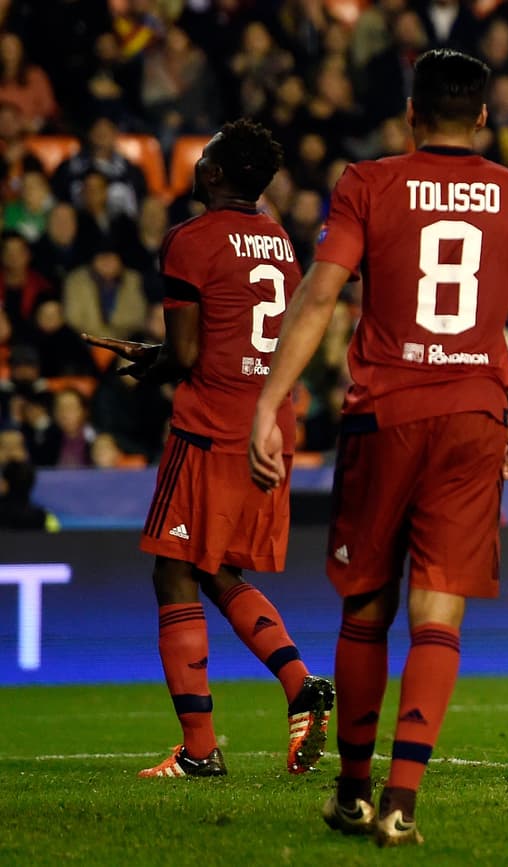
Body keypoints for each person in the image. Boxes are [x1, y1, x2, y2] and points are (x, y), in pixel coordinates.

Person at [248, 49, 508, 847]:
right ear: (485, 117)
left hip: (383, 414)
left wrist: (269, 401)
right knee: (439, 613)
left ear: (412, 114)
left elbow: (321, 293)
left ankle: (353, 790)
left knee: (367, 605)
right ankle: (402, 804)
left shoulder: (367, 182)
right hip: (474, 418)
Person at [83, 119, 335, 780]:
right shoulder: (279, 239)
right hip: (268, 424)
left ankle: (200, 747)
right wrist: (162, 355)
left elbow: (190, 352)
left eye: (207, 154)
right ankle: (300, 684)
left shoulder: (189, 240)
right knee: (219, 570)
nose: (197, 160)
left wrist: (155, 361)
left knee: (173, 568)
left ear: (218, 173)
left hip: (211, 425)